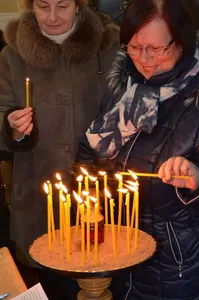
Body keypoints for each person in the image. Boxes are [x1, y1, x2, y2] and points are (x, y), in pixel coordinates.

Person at [76, 0, 199, 299]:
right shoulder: (123, 92)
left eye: (156, 48)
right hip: (118, 257)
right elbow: (88, 154)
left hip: (179, 271)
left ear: (182, 42)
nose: (143, 59)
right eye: (133, 47)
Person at [0, 0, 119, 298]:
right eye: (43, 6)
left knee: (104, 279)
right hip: (40, 194)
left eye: (62, 6)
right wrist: (11, 127)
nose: (52, 17)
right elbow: (2, 115)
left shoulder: (110, 47)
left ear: (79, 6)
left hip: (100, 192)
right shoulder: (11, 55)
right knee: (56, 283)